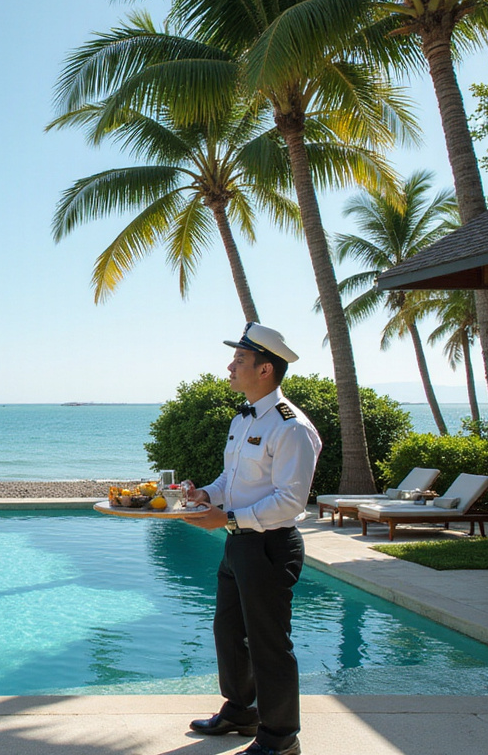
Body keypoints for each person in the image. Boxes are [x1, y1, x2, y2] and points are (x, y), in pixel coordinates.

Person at [180, 322, 322, 755]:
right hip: (239, 542)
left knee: (268, 643)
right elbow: (233, 479)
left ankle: (280, 738)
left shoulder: (291, 427)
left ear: (264, 370)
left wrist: (230, 520)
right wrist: (206, 494)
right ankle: (242, 711)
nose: (230, 365)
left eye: (239, 360)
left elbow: (290, 501)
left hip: (270, 545)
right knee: (229, 631)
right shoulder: (243, 419)